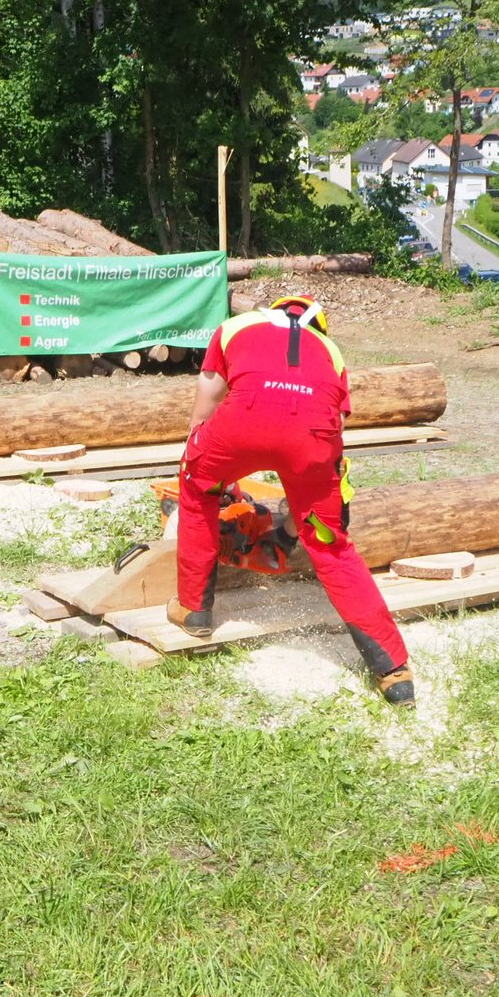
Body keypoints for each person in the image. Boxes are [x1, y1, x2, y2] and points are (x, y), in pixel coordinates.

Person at [170, 294, 414, 705]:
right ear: (319, 325)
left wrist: (204, 463)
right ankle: (394, 672)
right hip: (313, 438)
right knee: (332, 545)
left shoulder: (236, 326)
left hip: (240, 422)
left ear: (274, 309)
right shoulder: (331, 351)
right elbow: (330, 431)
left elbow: (206, 400)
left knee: (197, 492)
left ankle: (194, 609)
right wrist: (297, 523)